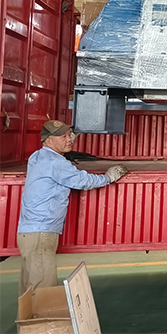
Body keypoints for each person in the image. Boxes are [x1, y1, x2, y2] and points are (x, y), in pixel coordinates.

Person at [17, 120, 128, 294]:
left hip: (27, 232)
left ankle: (27, 313)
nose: (69, 140)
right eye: (63, 137)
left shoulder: (37, 157)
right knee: (43, 290)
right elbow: (82, 181)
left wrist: (62, 143)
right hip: (41, 233)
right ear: (48, 141)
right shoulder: (56, 163)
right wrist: (108, 177)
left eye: (70, 135)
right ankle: (43, 313)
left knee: (29, 287)